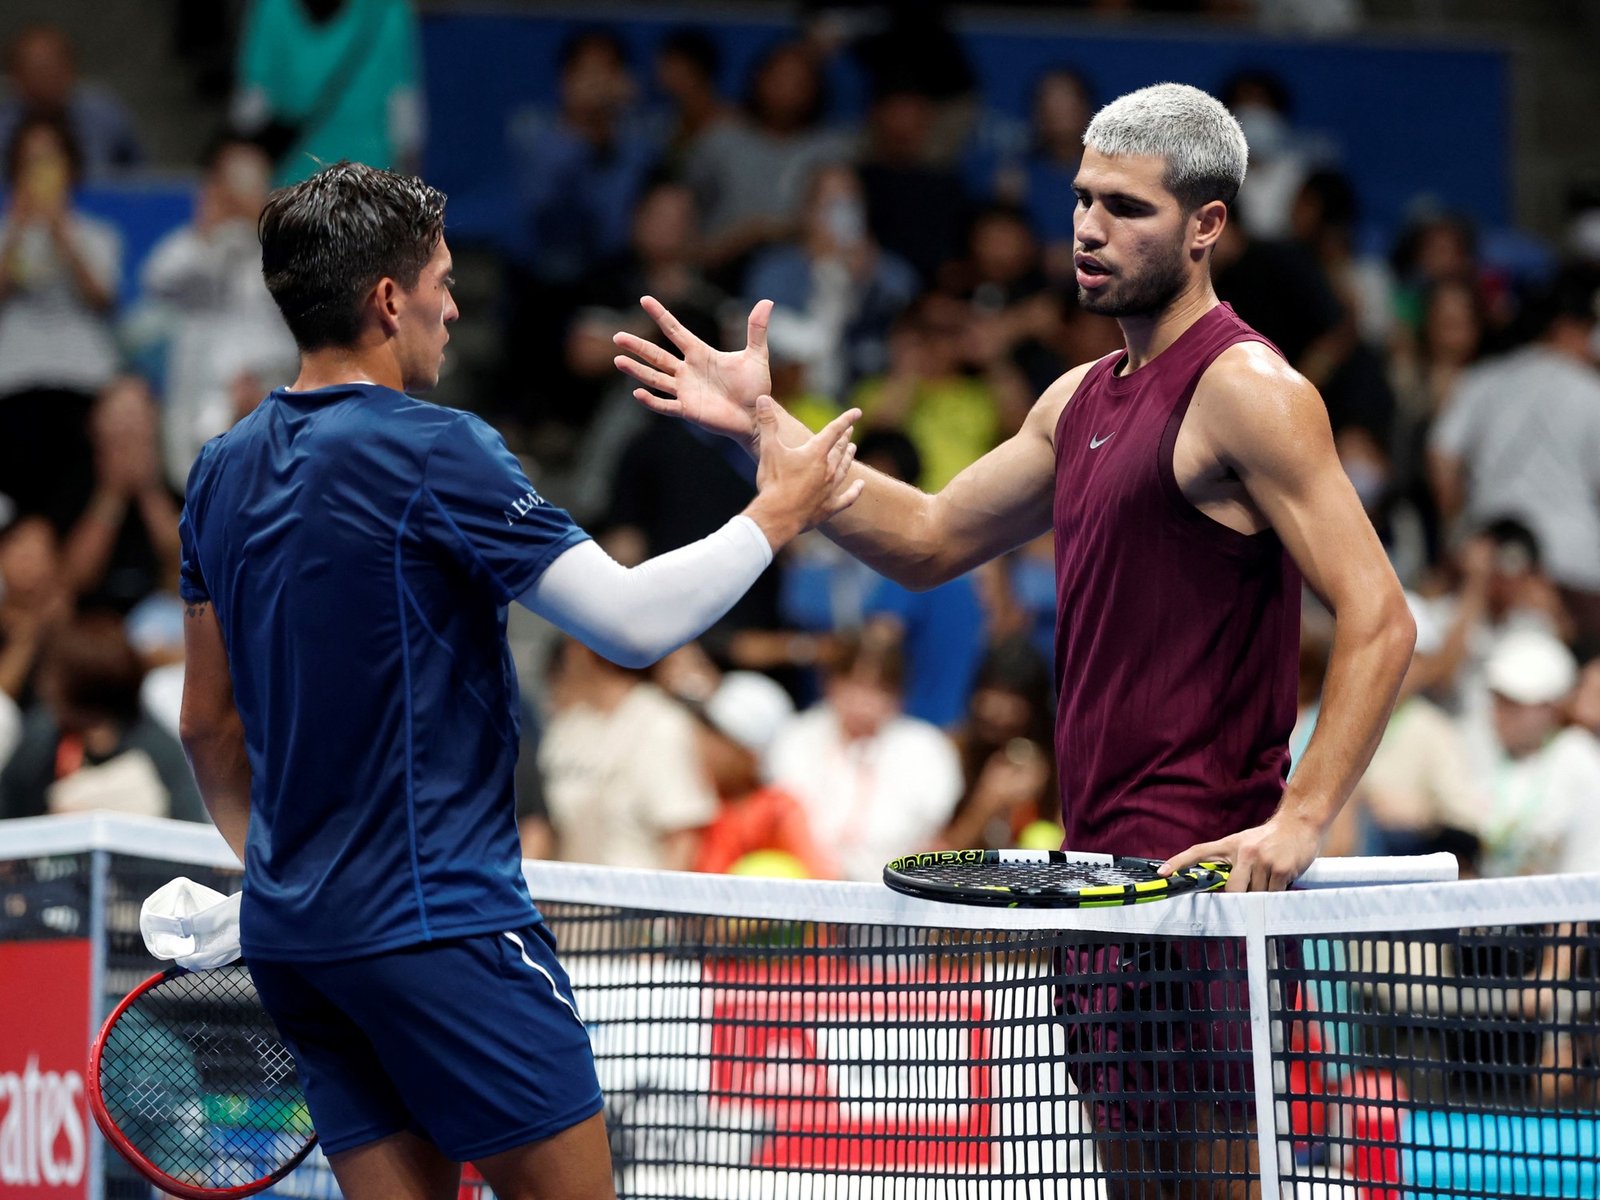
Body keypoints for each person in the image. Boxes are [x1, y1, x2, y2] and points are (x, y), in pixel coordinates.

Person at [614, 82, 1415, 1199]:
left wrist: (1303, 815)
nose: (1087, 228)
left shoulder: (1250, 391)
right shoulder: (1075, 400)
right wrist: (768, 428)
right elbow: (933, 535)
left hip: (1207, 892)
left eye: (1126, 209)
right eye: (1082, 199)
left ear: (1205, 226)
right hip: (1091, 886)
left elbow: (1380, 617)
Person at [176, 161, 862, 1200]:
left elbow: (206, 732)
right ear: (388, 298)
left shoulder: (220, 470)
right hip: (441, 929)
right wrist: (779, 512)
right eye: (442, 280)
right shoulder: (434, 449)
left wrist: (276, 869)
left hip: (297, 941)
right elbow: (632, 623)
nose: (455, 305)